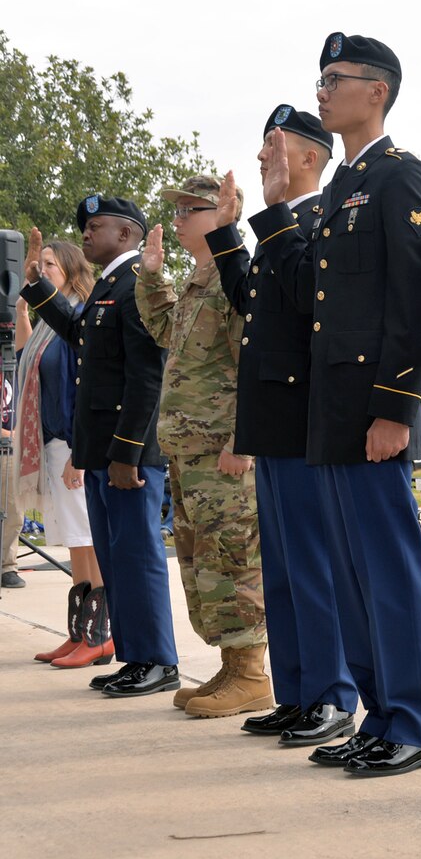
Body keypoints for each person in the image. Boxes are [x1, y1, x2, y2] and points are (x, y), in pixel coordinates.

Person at [230, 31, 421, 777]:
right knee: (354, 580)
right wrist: (276, 211)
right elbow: (301, 296)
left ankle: (414, 721)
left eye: (335, 78)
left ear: (376, 92)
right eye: (320, 78)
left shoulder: (397, 177)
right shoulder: (340, 191)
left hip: (372, 419)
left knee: (386, 575)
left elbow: (416, 302)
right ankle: (380, 717)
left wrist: (394, 406)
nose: (321, 90)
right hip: (331, 415)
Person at [206, 104, 359, 746]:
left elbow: (305, 298)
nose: (265, 156)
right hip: (272, 420)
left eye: (276, 147)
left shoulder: (322, 219)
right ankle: (297, 693)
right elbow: (253, 301)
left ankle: (331, 694)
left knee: (314, 566)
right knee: (284, 569)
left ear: (308, 159)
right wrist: (225, 236)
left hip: (303, 419)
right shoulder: (279, 227)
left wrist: (266, 222)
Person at [21, 196, 178, 697]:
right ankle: (134, 656)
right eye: (84, 228)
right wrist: (37, 288)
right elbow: (79, 337)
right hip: (102, 452)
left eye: (96, 226)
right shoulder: (109, 285)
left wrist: (127, 451)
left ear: (127, 234)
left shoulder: (135, 285)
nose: (85, 234)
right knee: (115, 559)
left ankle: (158, 660)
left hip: (126, 454)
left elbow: (146, 378)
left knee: (138, 556)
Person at [135, 175, 272, 719]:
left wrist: (243, 441)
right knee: (202, 565)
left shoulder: (235, 276)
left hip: (222, 451)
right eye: (177, 210)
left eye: (191, 209)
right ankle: (231, 663)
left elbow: (254, 364)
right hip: (190, 450)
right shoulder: (200, 278)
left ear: (222, 214)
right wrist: (150, 277)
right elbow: (167, 332)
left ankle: (253, 674)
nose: (179, 218)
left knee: (234, 559)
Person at [16, 237, 109, 666]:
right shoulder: (51, 324)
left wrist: (78, 452)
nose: (44, 269)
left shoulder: (75, 320)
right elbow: (25, 357)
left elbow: (82, 390)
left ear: (71, 272)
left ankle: (99, 635)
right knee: (73, 541)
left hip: (73, 445)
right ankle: (79, 632)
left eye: (51, 264)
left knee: (88, 539)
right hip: (54, 443)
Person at [1, 375, 25, 589]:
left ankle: (8, 566)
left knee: (13, 510)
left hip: (10, 451)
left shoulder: (15, 365)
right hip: (8, 439)